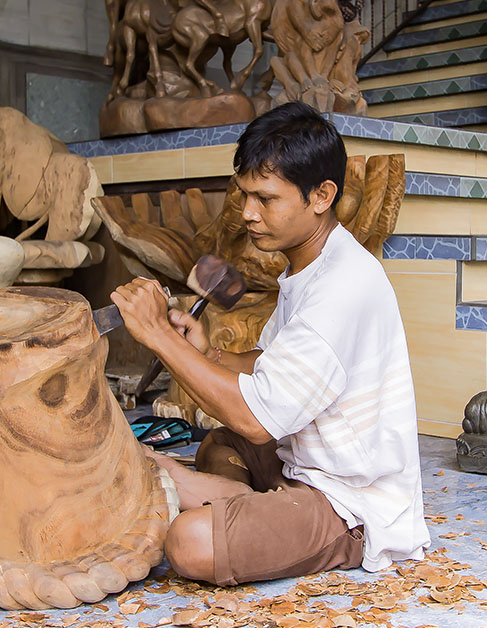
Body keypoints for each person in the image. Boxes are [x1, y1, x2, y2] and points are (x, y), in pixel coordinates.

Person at [110, 102, 429, 586]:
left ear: (322, 195)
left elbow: (257, 421)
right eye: (244, 195)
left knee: (189, 543)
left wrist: (156, 335)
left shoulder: (343, 285)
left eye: (265, 198)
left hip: (349, 503)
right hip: (299, 462)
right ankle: (239, 504)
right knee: (220, 444)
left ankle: (212, 500)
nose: (247, 213)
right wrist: (204, 353)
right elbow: (268, 361)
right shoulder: (311, 264)